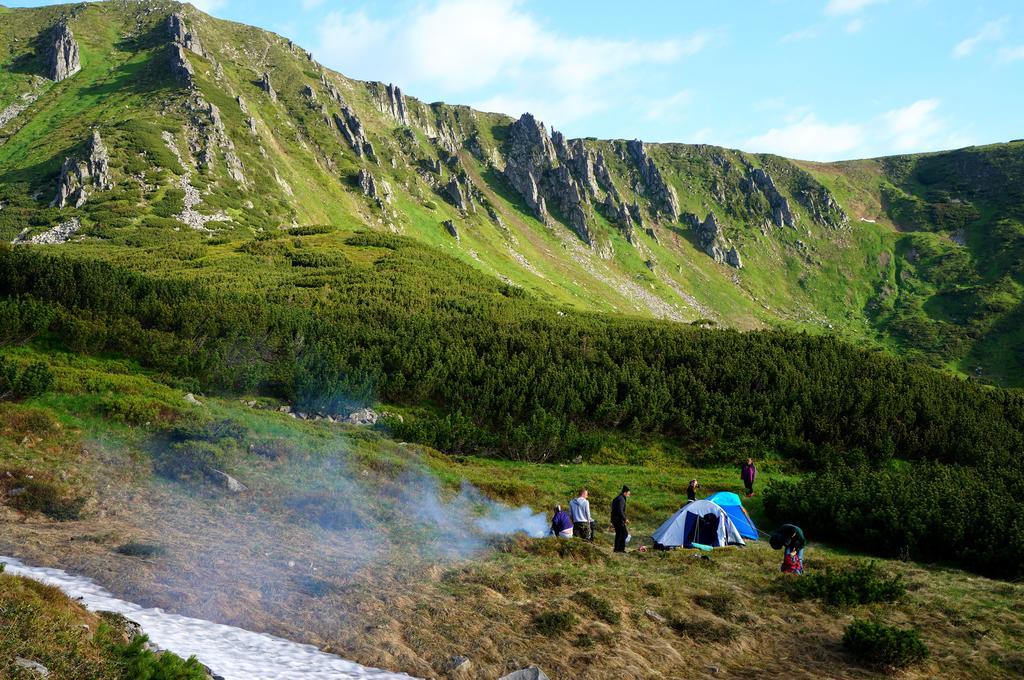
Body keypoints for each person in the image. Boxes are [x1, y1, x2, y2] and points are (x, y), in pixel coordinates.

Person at [611, 486, 631, 552]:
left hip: (616, 519)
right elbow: (620, 511)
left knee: (620, 534)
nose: (629, 494)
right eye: (628, 492)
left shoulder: (619, 498)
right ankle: (619, 549)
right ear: (625, 492)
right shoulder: (621, 499)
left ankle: (618, 549)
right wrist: (625, 519)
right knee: (624, 533)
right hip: (618, 520)